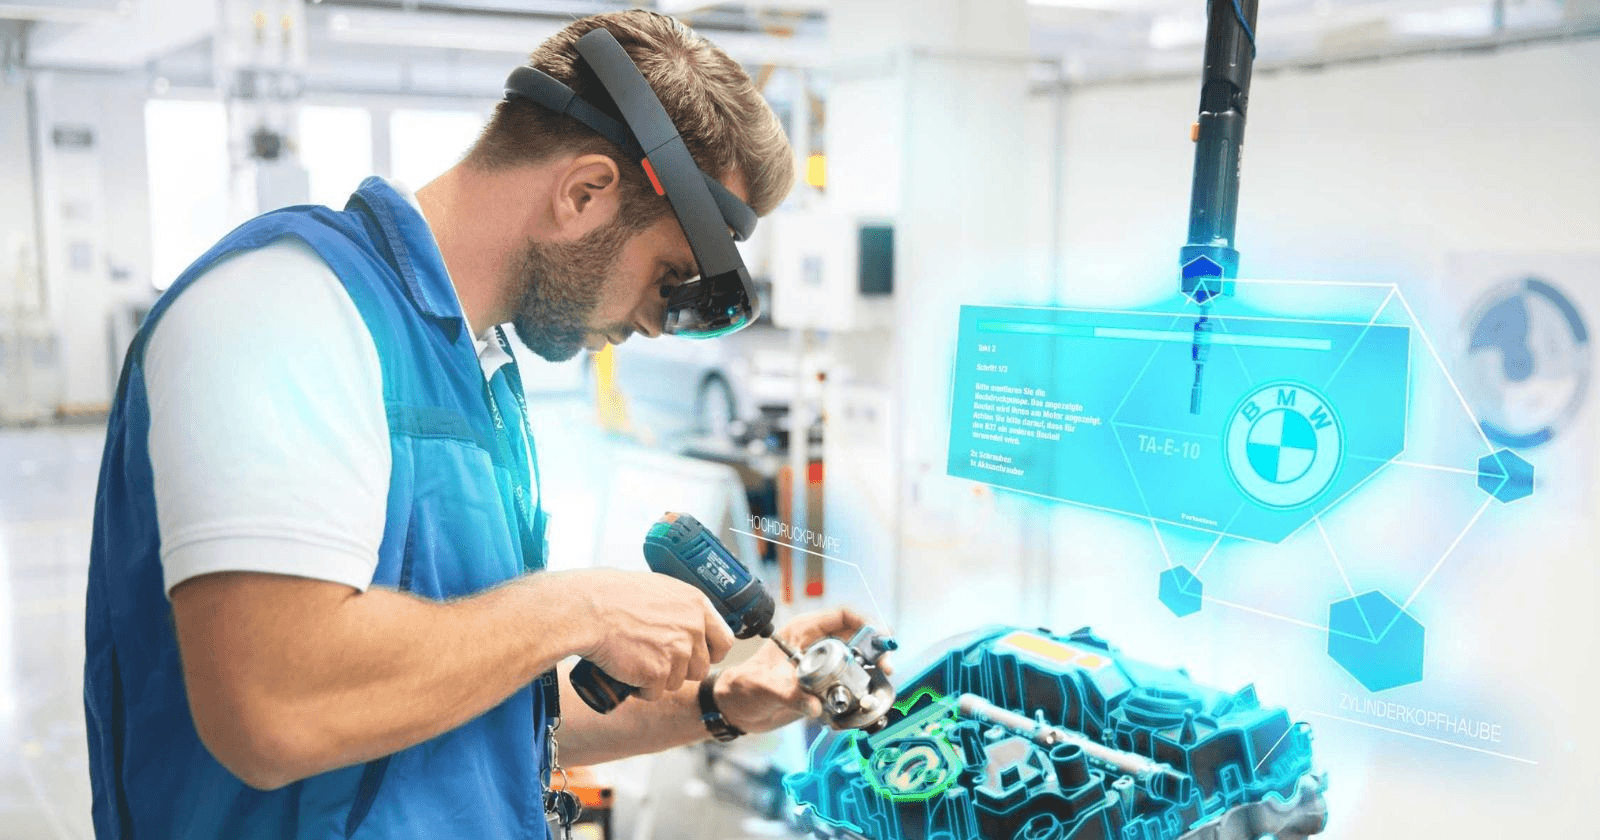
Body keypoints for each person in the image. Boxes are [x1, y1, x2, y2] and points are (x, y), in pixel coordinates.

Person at [84, 10, 871, 839]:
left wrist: (721, 704)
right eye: (669, 275)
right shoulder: (285, 312)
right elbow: (275, 705)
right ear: (584, 193)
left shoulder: (478, 370)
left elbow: (473, 709)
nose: (655, 322)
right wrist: (580, 609)